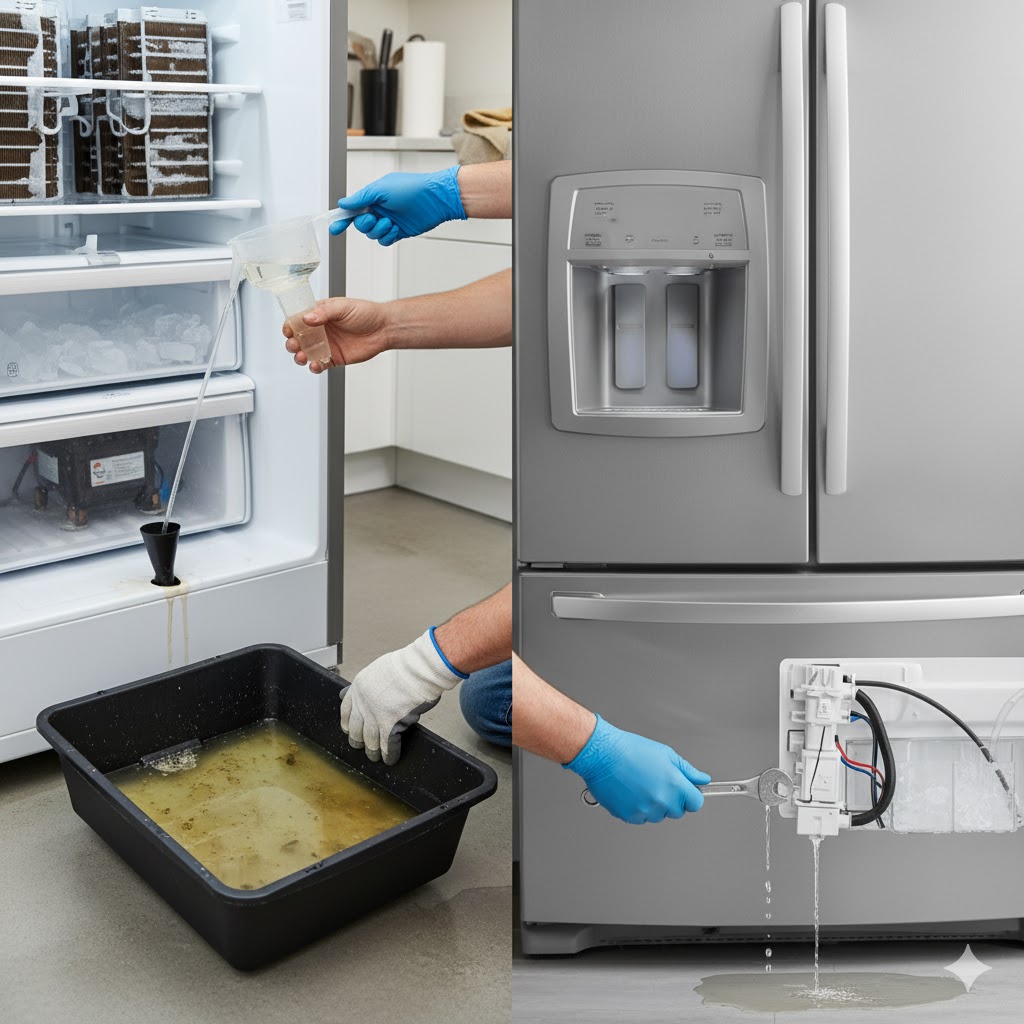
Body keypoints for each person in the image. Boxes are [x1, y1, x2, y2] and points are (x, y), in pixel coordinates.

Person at [286, 162, 711, 823]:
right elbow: (561, 264)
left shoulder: (677, 345)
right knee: (492, 695)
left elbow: (617, 548)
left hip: (703, 567)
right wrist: (446, 209)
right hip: (648, 545)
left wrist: (424, 663)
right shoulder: (629, 241)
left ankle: (705, 703)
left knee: (515, 676)